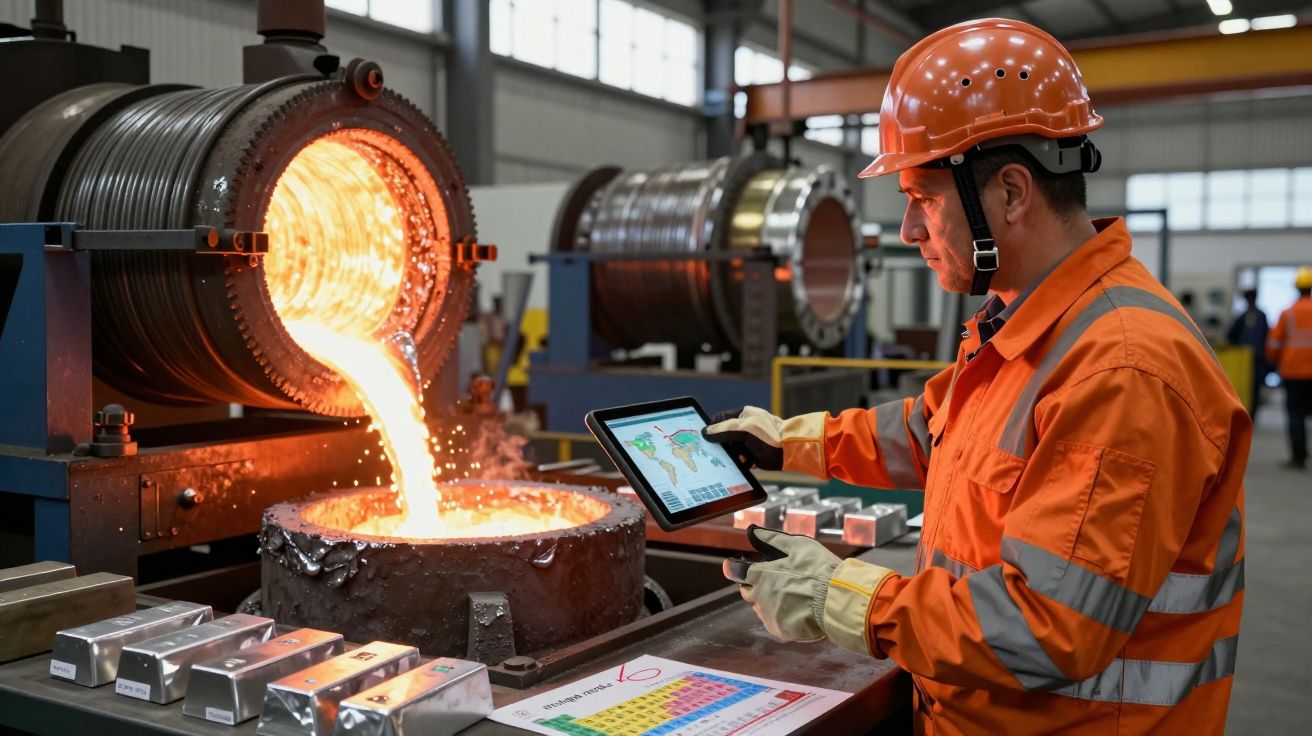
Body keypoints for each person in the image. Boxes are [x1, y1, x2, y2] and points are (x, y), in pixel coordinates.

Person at [704, 19, 1249, 735]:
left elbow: (1048, 626)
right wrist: (786, 444)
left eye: (923, 198)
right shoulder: (1032, 325)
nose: (907, 229)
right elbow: (937, 433)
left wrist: (844, 594)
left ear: (1013, 195)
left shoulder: (1121, 368)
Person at [1267, 267, 1312, 470]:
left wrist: (1273, 362)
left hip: (1293, 372)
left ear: (1297, 288)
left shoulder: (1288, 313)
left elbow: (1274, 343)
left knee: (1296, 415)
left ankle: (1298, 457)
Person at [1227, 288, 1270, 418]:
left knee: (1254, 388)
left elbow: (1267, 337)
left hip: (1256, 359)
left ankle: (1251, 415)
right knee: (1245, 387)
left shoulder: (1261, 316)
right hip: (1244, 360)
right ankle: (1245, 413)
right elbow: (1231, 335)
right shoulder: (1242, 317)